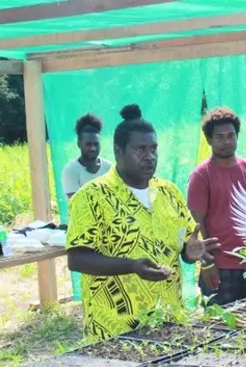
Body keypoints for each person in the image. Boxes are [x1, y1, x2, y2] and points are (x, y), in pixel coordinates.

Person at [66, 104, 219, 340]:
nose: (149, 156)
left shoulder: (169, 192)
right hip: (116, 327)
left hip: (168, 319)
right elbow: (77, 259)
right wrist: (131, 266)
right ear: (119, 152)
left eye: (153, 149)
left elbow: (184, 246)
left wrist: (191, 252)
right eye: (140, 149)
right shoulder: (91, 197)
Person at [187, 107, 246, 306]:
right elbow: (196, 224)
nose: (226, 142)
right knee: (219, 327)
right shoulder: (201, 175)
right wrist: (208, 264)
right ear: (209, 140)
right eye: (220, 137)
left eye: (231, 135)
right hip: (220, 266)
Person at [61, 113, 112, 200]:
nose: (93, 148)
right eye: (88, 144)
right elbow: (78, 204)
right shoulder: (70, 170)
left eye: (96, 144)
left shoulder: (109, 168)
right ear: (79, 144)